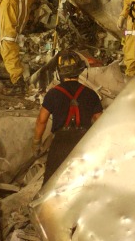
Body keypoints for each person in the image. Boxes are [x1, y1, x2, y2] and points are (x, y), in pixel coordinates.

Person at [33, 50, 103, 184]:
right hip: (83, 143)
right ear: (80, 70)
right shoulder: (91, 94)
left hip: (60, 143)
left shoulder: (53, 94)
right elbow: (100, 121)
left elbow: (41, 121)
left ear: (60, 72)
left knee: (51, 184)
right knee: (82, 184)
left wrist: (36, 143)